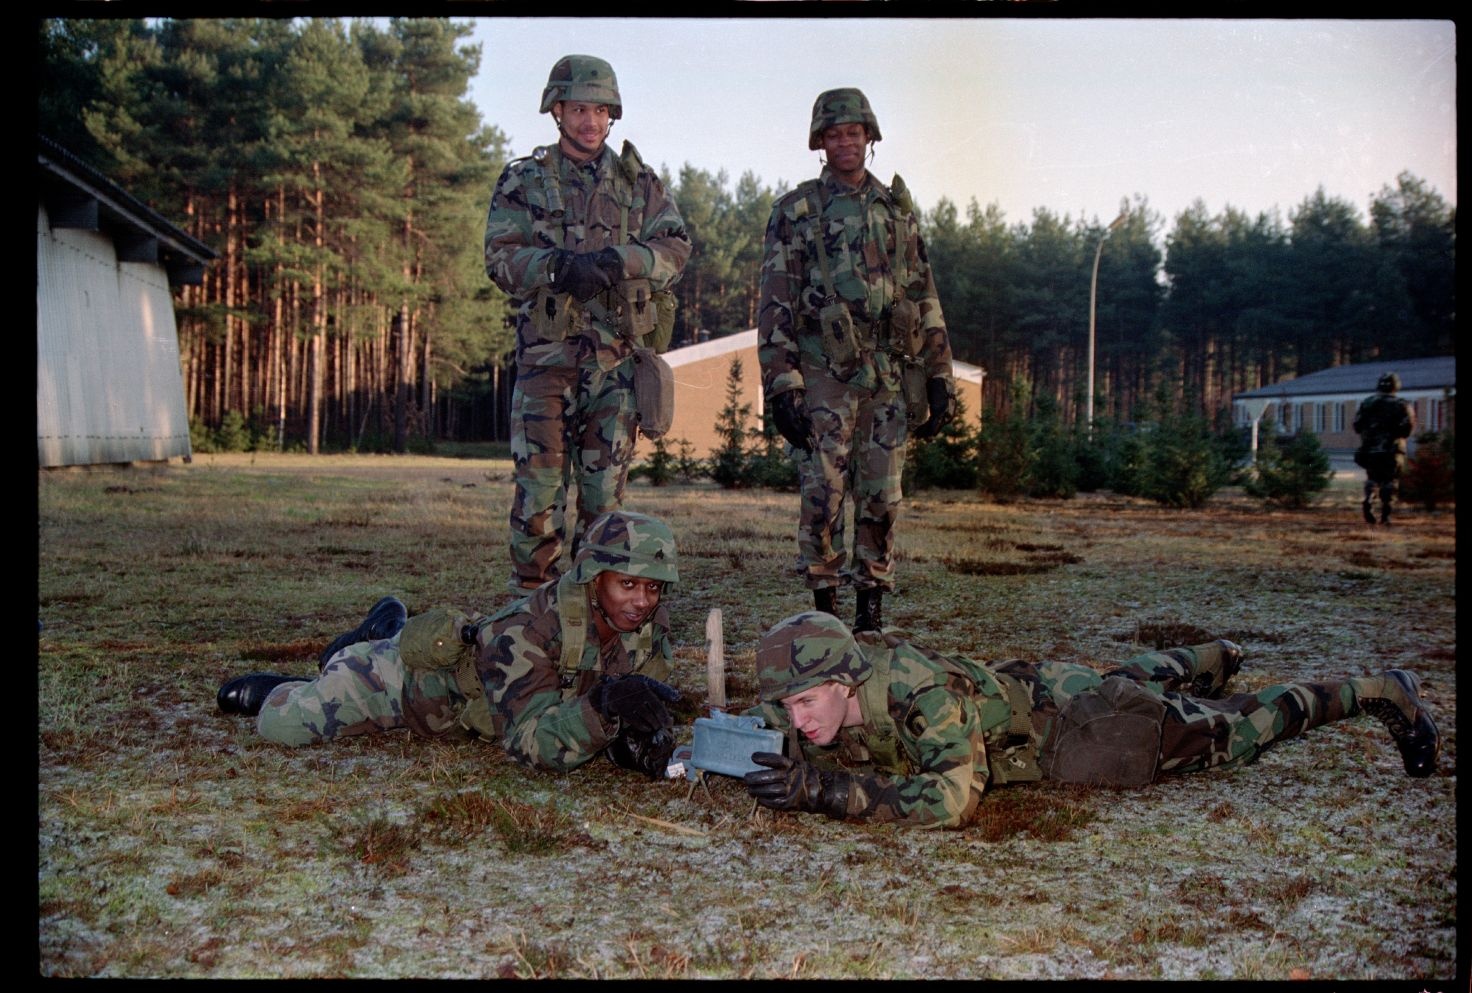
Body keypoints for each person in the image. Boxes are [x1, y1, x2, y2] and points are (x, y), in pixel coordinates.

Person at [740, 612, 1441, 828]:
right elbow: (760, 716)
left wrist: (824, 791)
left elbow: (954, 798)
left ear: (844, 681)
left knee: (1235, 732)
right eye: (790, 706)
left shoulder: (918, 694)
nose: (797, 720)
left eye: (807, 704)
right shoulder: (812, 691)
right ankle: (1206, 654)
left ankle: (1379, 688)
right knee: (1123, 679)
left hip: (1082, 727)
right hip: (1048, 687)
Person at [215, 511, 683, 779]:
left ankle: (377, 635)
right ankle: (351, 655)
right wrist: (603, 707)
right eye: (628, 585)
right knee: (282, 727)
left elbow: (634, 709)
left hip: (492, 706)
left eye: (654, 588)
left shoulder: (646, 628)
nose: (643, 602)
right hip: (402, 689)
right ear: (592, 577)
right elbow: (527, 746)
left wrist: (636, 740)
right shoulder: (527, 630)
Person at [484, 55, 692, 595]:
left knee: (606, 507)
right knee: (538, 501)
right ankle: (533, 619)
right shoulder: (523, 180)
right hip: (545, 364)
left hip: (614, 368)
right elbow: (499, 257)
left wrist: (619, 261)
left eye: (601, 110)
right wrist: (556, 266)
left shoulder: (638, 183)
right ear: (557, 111)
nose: (590, 122)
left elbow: (675, 248)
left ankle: (597, 619)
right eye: (579, 109)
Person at [757, 88, 955, 634]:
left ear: (869, 137)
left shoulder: (897, 211)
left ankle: (870, 616)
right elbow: (775, 300)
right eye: (834, 134)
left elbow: (924, 292)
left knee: (883, 496)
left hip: (890, 371)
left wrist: (939, 374)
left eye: (854, 132)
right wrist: (783, 385)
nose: (846, 143)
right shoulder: (796, 211)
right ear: (820, 142)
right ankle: (826, 616)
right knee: (823, 494)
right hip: (824, 370)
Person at [1353, 371, 1415, 525]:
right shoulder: (1402, 404)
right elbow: (1407, 429)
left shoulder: (1367, 403)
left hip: (1371, 449)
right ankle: (1385, 515)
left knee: (1372, 478)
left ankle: (1368, 499)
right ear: (1396, 386)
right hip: (1392, 449)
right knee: (1390, 481)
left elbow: (1357, 426)